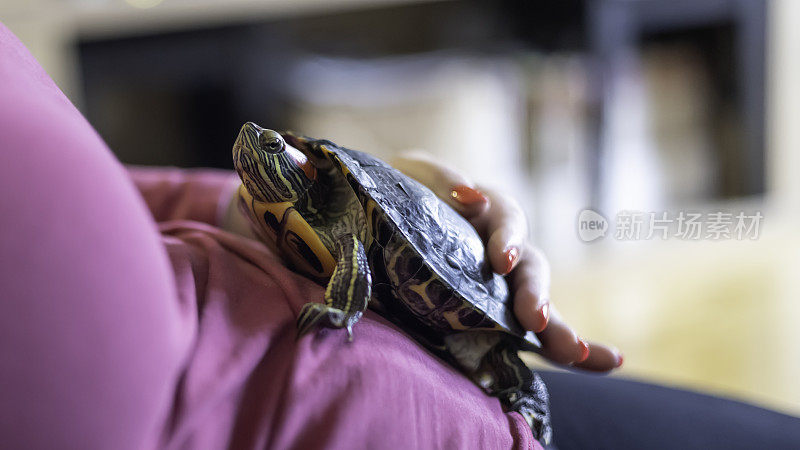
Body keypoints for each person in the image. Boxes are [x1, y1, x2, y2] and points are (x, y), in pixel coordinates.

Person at [1, 22, 799, 450]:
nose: (261, 148)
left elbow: (124, 199)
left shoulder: (307, 198)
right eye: (265, 160)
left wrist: (409, 199)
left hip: (460, 384)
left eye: (273, 157)